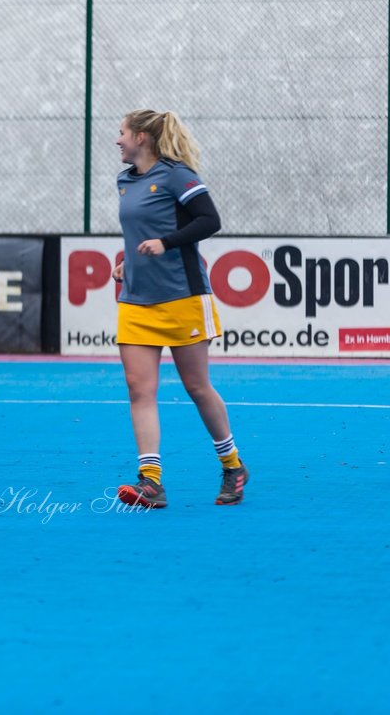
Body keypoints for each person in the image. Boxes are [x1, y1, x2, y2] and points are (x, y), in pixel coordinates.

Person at [111, 109, 247, 508]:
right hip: (135, 301)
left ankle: (233, 467)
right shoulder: (123, 181)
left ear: (142, 137)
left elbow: (210, 220)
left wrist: (166, 243)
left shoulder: (177, 175)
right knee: (139, 390)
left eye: (121, 133)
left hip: (182, 299)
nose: (117, 140)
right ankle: (151, 482)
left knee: (197, 387)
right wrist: (128, 264)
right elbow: (139, 233)